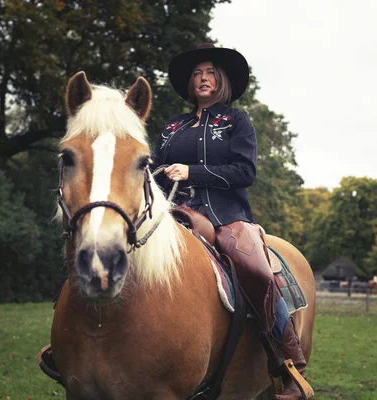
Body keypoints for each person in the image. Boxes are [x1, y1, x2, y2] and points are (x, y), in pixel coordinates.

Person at [154, 43, 309, 400]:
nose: (202, 78)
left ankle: (291, 366)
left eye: (209, 73)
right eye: (197, 73)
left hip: (225, 216)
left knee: (255, 269)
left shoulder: (236, 121)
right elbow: (152, 170)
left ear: (220, 80)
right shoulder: (172, 127)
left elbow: (245, 170)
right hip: (172, 212)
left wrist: (193, 171)